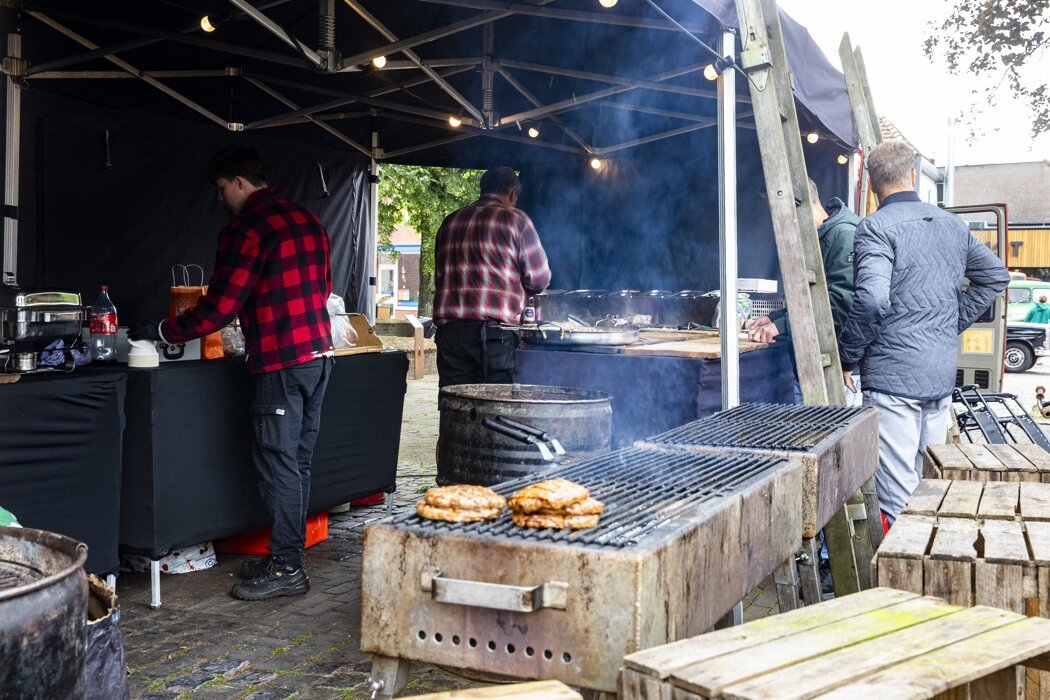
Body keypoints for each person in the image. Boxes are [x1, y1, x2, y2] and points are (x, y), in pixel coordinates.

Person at [130, 145, 334, 601]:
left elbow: (219, 309)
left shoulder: (246, 229)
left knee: (279, 465)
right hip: (319, 355)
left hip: (281, 361)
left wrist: (163, 330)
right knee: (295, 463)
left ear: (238, 182)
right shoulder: (309, 220)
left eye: (222, 188)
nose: (220, 198)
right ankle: (286, 554)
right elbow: (324, 288)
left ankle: (286, 568)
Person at [838, 139, 1009, 524]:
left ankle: (906, 582)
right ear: (912, 174)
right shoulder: (952, 225)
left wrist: (847, 357)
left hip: (892, 382)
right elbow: (995, 277)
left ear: (873, 182)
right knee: (928, 489)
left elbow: (871, 300)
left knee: (898, 499)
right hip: (937, 377)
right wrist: (949, 323)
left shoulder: (875, 228)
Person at [746, 178, 861, 406]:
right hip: (810, 368)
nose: (777, 222)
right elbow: (813, 299)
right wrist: (774, 318)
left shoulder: (844, 236)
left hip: (838, 373)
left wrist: (780, 326)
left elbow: (841, 305)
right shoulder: (818, 237)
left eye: (778, 213)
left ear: (799, 205)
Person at [433, 167, 551, 387]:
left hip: (450, 335)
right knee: (495, 409)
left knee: (455, 406)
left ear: (483, 189)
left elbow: (441, 275)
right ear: (513, 195)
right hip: (494, 336)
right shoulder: (516, 220)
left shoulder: (450, 222)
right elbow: (539, 279)